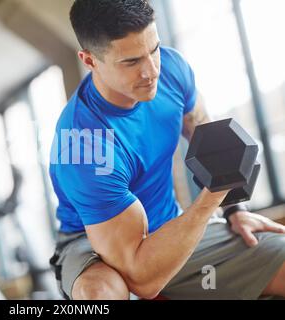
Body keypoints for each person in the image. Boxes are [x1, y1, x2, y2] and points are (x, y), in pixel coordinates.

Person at [48, 0, 285, 300]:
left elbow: (209, 139)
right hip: (93, 246)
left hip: (168, 226)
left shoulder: (171, 70)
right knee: (100, 295)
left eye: (154, 49)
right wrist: (211, 200)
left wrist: (235, 208)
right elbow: (143, 280)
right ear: (90, 60)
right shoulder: (82, 146)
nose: (151, 71)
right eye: (131, 61)